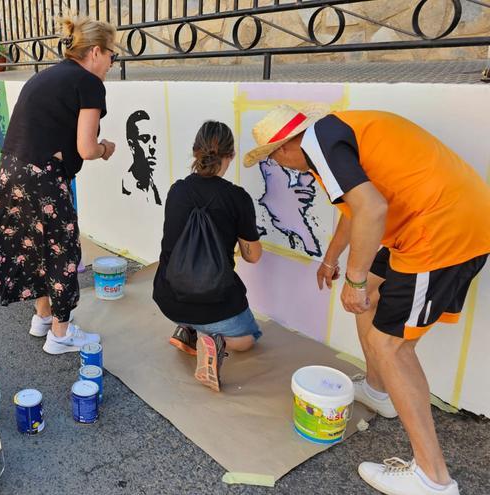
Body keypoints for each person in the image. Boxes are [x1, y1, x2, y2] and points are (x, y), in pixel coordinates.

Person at [245, 105, 490, 495]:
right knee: (371, 303)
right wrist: (331, 259)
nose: (280, 164)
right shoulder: (328, 140)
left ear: (289, 144)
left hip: (440, 231)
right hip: (419, 227)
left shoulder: (320, 142)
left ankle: (432, 478)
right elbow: (356, 209)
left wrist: (355, 279)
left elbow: (372, 209)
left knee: (391, 346)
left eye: (275, 155)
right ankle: (379, 392)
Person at [0, 15, 117, 353]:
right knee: (61, 249)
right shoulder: (89, 83)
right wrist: (106, 149)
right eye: (111, 55)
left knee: (33, 245)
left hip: (11, 170)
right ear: (94, 52)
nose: (111, 63)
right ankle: (61, 335)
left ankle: (43, 316)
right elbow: (87, 148)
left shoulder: (48, 75)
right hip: (42, 177)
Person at [152, 121, 262, 390]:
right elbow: (253, 256)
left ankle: (189, 330)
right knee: (247, 340)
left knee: (194, 315)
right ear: (231, 156)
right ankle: (211, 338)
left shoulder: (177, 191)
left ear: (194, 152)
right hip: (215, 301)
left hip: (169, 298)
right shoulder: (237, 198)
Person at [121, 110, 162, 205]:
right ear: (132, 146)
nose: (152, 147)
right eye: (145, 139)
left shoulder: (154, 185)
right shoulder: (127, 187)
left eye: (154, 139)